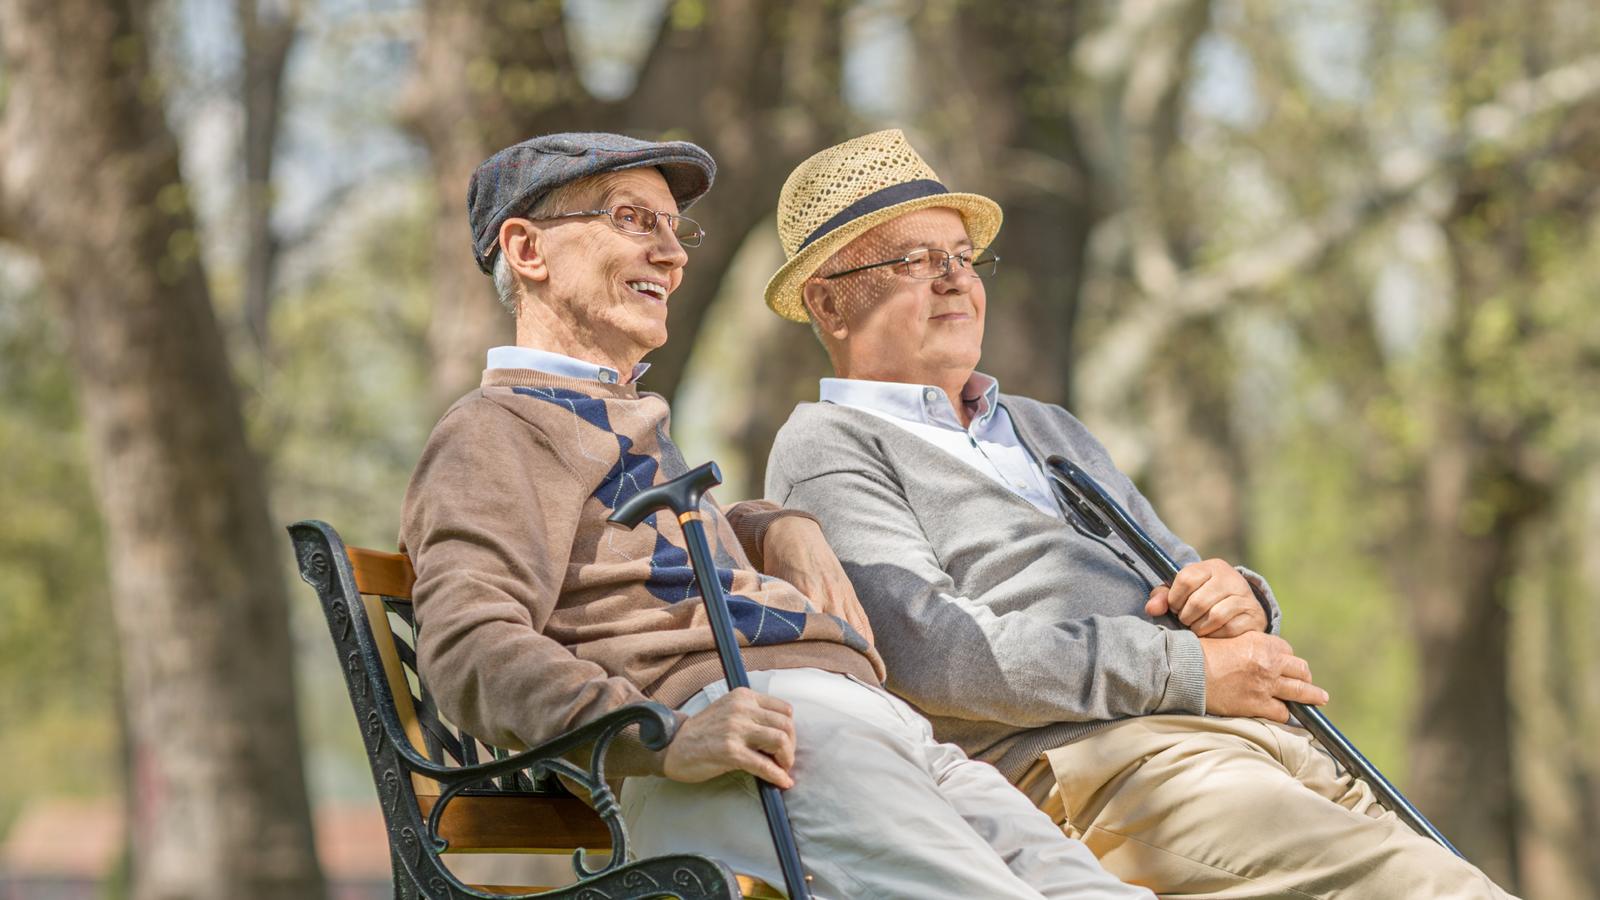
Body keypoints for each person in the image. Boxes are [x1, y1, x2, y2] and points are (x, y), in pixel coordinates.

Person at [762, 129, 1514, 899]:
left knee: (1462, 879)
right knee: (1425, 888)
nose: (954, 281)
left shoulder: (1046, 424)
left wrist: (1235, 597)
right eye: (914, 262)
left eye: (961, 257)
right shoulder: (826, 444)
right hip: (1108, 770)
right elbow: (937, 652)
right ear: (828, 301)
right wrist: (1190, 669)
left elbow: (1175, 568)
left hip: (1258, 745)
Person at [398, 131, 1150, 899]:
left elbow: (646, 549)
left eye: (674, 229)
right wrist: (660, 738)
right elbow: (468, 645)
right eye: (633, 220)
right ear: (527, 249)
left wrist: (772, 524)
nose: (672, 254)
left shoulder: (617, 418)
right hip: (751, 744)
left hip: (873, 727)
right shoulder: (494, 431)